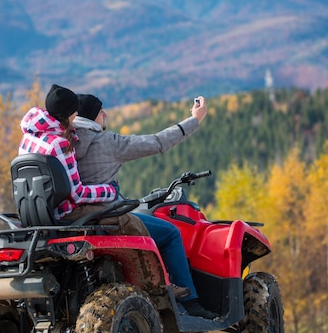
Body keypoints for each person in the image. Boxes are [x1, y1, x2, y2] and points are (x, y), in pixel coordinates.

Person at [73, 93, 219, 320]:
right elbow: (158, 142)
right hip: (108, 216)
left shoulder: (63, 143)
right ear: (92, 117)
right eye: (101, 111)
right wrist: (194, 120)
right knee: (170, 233)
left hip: (73, 219)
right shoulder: (108, 142)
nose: (106, 114)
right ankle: (188, 302)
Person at [18, 84, 148, 236]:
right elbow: (77, 194)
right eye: (75, 110)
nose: (78, 113)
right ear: (68, 114)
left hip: (36, 214)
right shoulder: (60, 144)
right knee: (130, 222)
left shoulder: (29, 136)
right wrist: (110, 191)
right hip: (64, 214)